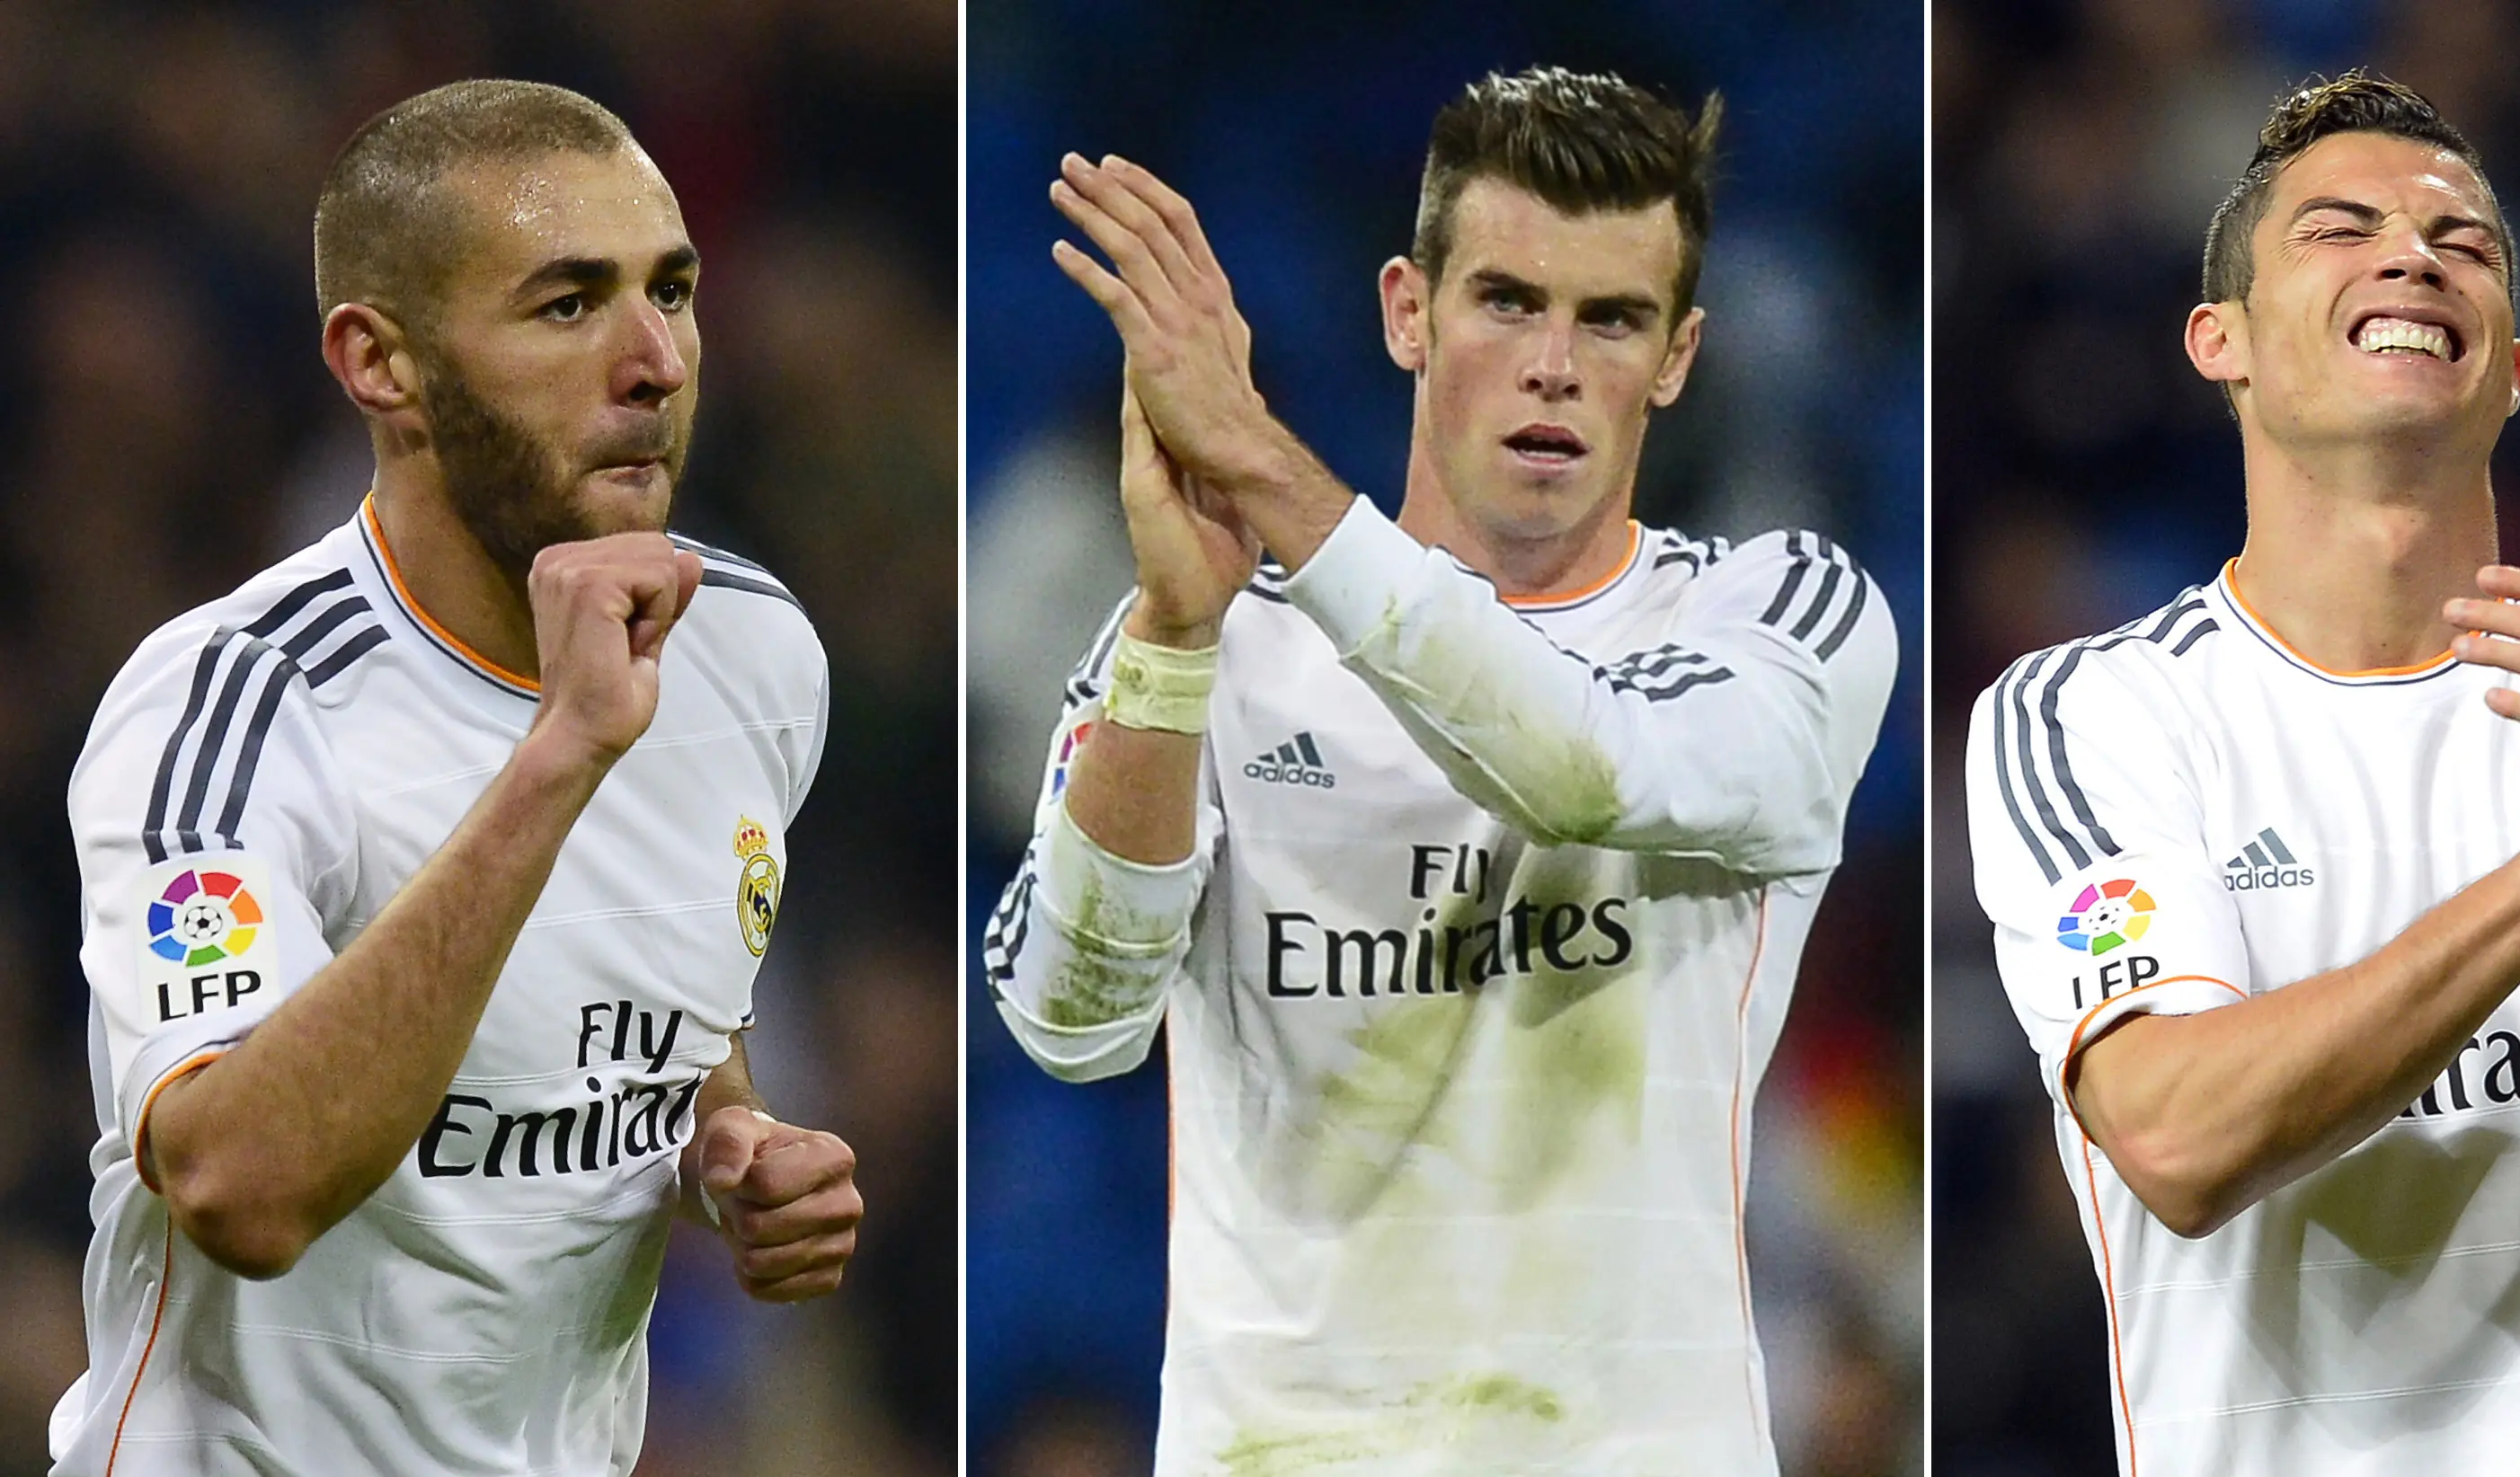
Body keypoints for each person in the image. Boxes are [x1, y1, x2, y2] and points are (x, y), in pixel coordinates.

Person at [981, 67, 1896, 1473]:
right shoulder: (1208, 635)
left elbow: (1588, 770)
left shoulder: (1776, 615)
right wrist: (1169, 636)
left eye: (1612, 319)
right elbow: (1071, 1020)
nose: (1553, 364)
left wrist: (1270, 478)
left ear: (1677, 357)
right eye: (1507, 302)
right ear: (1408, 310)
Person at [1965, 73, 2520, 1476]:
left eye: (2465, 244)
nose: (2410, 256)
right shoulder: (2095, 715)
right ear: (2223, 342)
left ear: (2510, 363)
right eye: (2337, 229)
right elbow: (2176, 1134)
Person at [48, 80, 863, 1476]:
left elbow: (658, 998)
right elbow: (239, 1185)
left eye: (671, 291)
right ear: (381, 364)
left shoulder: (758, 653)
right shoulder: (228, 709)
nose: (655, 361)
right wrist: (559, 759)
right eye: (567, 304)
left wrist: (727, 1146)